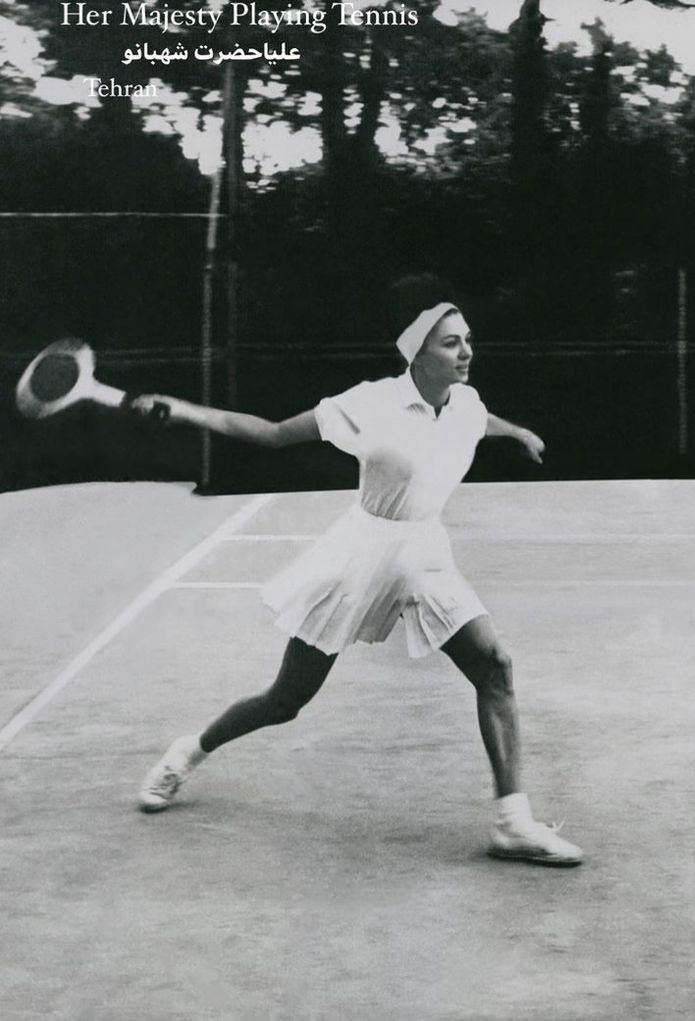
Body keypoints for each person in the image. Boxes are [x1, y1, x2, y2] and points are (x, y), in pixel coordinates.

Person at [133, 290, 583, 867]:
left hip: (424, 554)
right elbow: (271, 433)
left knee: (495, 667)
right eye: (452, 343)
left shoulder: (465, 402)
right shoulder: (370, 404)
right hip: (359, 557)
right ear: (417, 356)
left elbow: (478, 420)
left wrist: (516, 432)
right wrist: (185, 410)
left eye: (468, 339)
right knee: (286, 699)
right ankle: (185, 754)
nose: (466, 351)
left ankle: (512, 823)